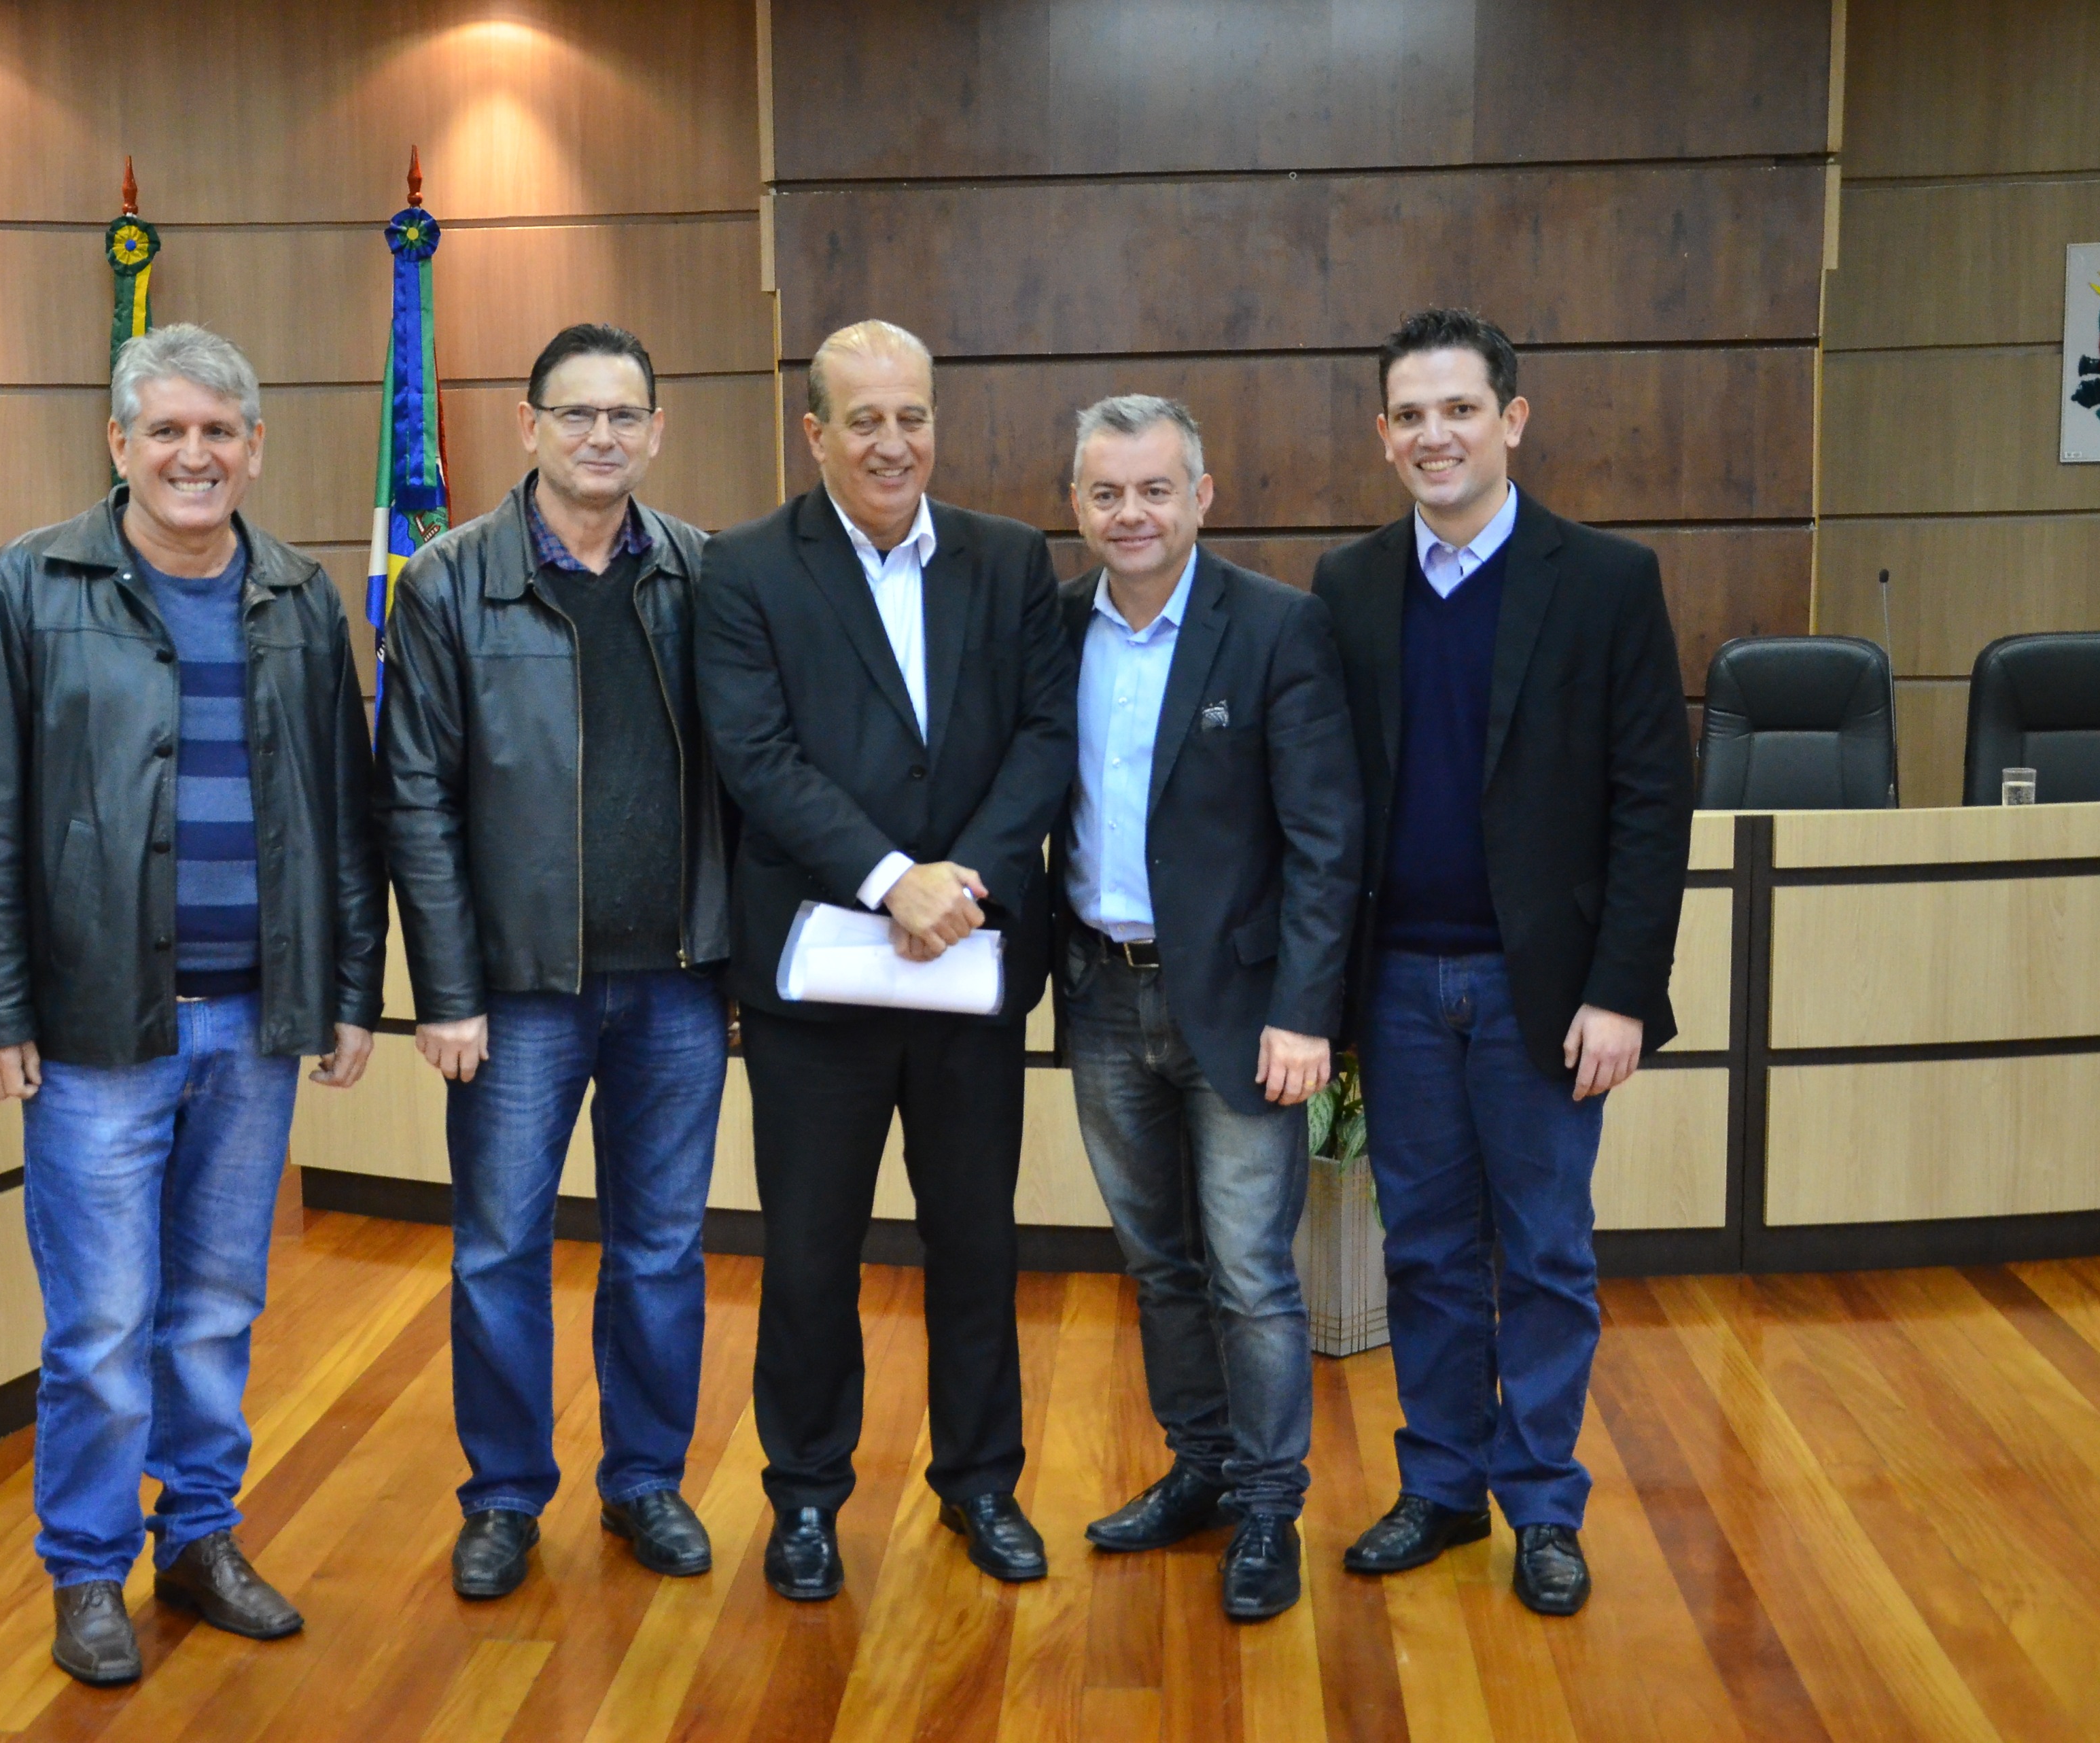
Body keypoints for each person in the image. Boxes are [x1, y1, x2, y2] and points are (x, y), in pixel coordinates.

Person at [0, 322, 385, 1685]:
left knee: (215, 1309)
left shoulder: (300, 596)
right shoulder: (30, 586)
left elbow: (345, 814)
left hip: (255, 1023)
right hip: (93, 1031)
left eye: (218, 432)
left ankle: (198, 1538)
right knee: (99, 1327)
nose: (195, 455)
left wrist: (349, 990)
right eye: (168, 431)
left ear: (256, 448)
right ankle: (86, 1570)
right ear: (119, 444)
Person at [1312, 309, 1692, 1617]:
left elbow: (1653, 803)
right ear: (1384, 435)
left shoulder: (1607, 580)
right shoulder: (1349, 586)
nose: (1437, 436)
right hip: (1399, 988)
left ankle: (1542, 1505)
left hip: (1548, 994)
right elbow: (1331, 801)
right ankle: (1440, 1488)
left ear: (1512, 420)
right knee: (1423, 1252)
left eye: (1460, 410)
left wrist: (1622, 989)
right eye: (1411, 416)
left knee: (1544, 1257)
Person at [695, 319, 1074, 1601]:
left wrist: (957, 883)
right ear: (815, 434)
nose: (892, 442)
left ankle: (982, 1484)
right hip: (818, 987)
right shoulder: (747, 569)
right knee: (810, 1256)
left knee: (977, 1244)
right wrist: (887, 879)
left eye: (911, 416)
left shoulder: (1009, 559)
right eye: (864, 420)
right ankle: (806, 1498)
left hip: (966, 969)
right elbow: (756, 757)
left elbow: (1045, 735)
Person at [377, 323, 731, 1600]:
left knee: (662, 1250)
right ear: (528, 426)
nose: (600, 436)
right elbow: (414, 797)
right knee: (498, 1252)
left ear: (657, 431)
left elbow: (751, 776)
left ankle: (644, 1481)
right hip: (518, 994)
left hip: (679, 982)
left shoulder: (704, 574)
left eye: (623, 415)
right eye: (575, 414)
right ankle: (505, 1497)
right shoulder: (447, 582)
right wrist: (446, 991)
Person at [1052, 396, 1362, 1621]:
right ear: (1077, 506)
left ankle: (1272, 1505)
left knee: (1250, 1273)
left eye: (1154, 489)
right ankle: (1203, 1468)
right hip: (1099, 994)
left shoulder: (1278, 627)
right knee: (1159, 1263)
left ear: (1202, 496)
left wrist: (1307, 1012)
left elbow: (1326, 841)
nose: (1131, 514)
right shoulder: (1053, 628)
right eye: (1106, 493)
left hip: (1240, 1009)